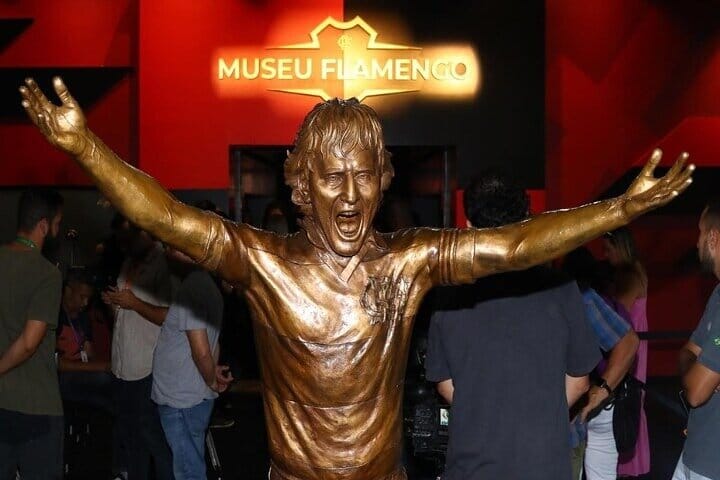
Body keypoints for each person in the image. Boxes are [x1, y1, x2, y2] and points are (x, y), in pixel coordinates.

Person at [20, 76, 693, 480]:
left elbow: (510, 247)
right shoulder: (264, 263)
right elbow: (165, 217)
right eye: (331, 176)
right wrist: (86, 147)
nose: (348, 195)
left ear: (383, 181)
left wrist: (617, 210)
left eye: (363, 175)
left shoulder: (406, 261)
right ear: (302, 185)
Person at [424, 172, 601, 480]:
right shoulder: (560, 288)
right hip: (543, 466)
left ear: (469, 226)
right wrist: (536, 416)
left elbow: (445, 385)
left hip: (472, 468)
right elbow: (579, 382)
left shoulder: (448, 295)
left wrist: (488, 412)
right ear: (526, 222)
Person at [102, 223, 174, 480]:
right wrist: (114, 303)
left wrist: (134, 303)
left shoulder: (163, 264)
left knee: (152, 436)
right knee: (131, 436)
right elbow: (124, 315)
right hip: (122, 364)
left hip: (146, 365)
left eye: (133, 233)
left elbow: (169, 316)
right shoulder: (128, 262)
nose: (128, 239)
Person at [0, 189, 64, 479]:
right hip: (36, 404)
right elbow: (29, 342)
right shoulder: (47, 274)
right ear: (43, 226)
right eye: (57, 223)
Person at [152, 245, 230, 480]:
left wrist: (211, 380)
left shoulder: (192, 289)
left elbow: (202, 352)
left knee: (188, 472)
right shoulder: (208, 286)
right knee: (191, 464)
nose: (167, 252)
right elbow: (213, 343)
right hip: (190, 396)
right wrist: (212, 373)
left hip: (181, 399)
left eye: (173, 247)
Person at [562, 248, 640, 480]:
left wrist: (600, 391)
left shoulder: (577, 298)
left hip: (585, 410)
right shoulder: (603, 301)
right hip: (596, 404)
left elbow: (628, 342)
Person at [673, 198, 720, 480]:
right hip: (696, 450)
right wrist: (698, 369)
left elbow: (696, 391)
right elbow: (686, 353)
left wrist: (699, 374)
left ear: (713, 238)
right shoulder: (718, 294)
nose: (697, 242)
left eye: (700, 233)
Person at [602, 227, 651, 476]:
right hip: (634, 344)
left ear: (619, 247)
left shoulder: (629, 275)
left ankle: (623, 466)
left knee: (626, 402)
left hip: (629, 346)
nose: (606, 255)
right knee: (632, 403)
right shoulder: (634, 271)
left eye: (608, 249)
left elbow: (617, 312)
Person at [56, 267, 113, 413]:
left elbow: (89, 353)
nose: (86, 303)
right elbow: (57, 364)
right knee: (103, 380)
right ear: (68, 291)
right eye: (82, 297)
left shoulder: (83, 318)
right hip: (61, 378)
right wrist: (101, 367)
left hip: (82, 373)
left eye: (88, 298)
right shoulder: (56, 316)